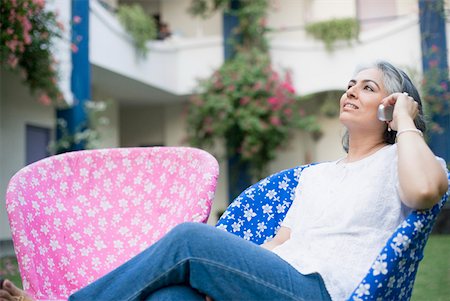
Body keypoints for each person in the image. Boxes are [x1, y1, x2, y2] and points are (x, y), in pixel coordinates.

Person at [1, 61, 447, 301]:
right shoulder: (315, 178)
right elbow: (279, 244)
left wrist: (407, 121)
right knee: (171, 299)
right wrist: (230, 277)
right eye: (350, 84)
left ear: (392, 107)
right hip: (274, 282)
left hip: (323, 292)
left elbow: (425, 192)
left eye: (368, 88)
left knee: (191, 240)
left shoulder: (405, 159)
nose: (350, 91)